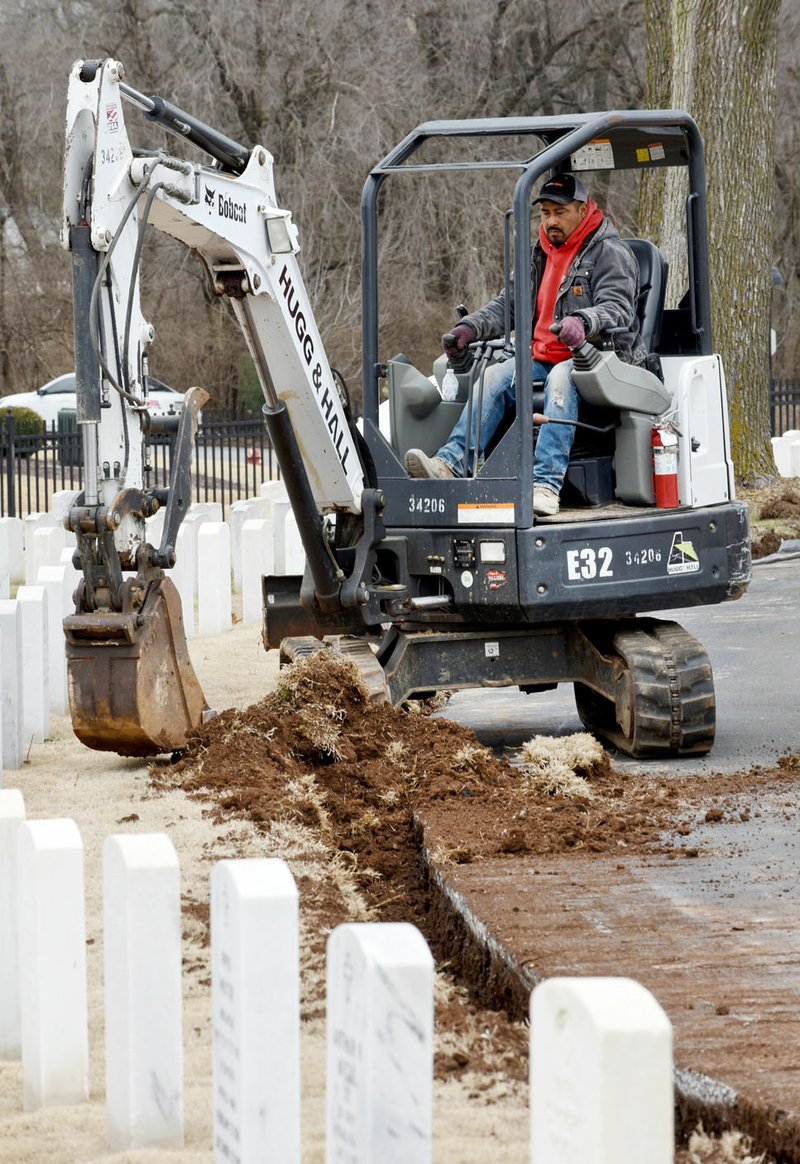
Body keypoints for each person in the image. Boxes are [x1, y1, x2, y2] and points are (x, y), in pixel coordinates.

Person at [403, 174, 647, 516]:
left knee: (562, 378)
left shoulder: (609, 252)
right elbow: (509, 305)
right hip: (543, 358)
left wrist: (583, 322)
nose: (550, 221)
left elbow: (618, 308)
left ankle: (546, 485)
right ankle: (450, 464)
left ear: (582, 209)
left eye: (559, 212)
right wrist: (469, 328)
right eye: (545, 213)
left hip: (598, 361)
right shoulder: (540, 254)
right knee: (494, 377)